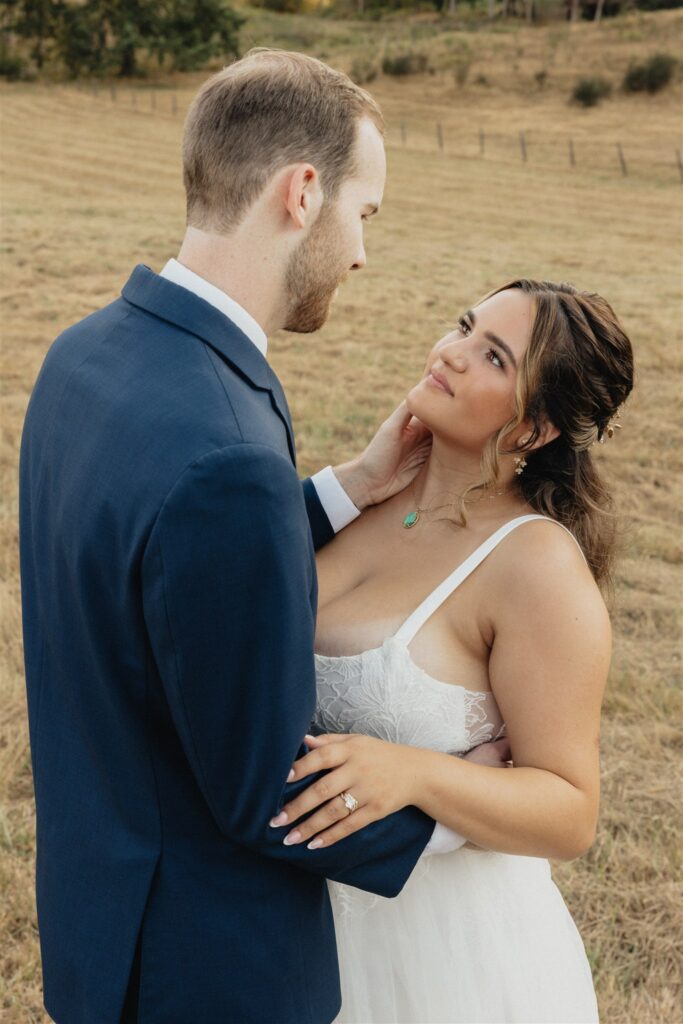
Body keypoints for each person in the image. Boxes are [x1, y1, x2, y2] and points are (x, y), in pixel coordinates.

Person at [19, 50, 484, 1024]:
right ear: (302, 194)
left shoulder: (87, 354)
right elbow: (261, 790)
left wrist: (343, 488)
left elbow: (160, 573)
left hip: (99, 927)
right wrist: (456, 810)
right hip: (205, 974)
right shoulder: (221, 449)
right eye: (366, 215)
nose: (361, 254)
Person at [273, 279, 634, 1023]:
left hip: (440, 959)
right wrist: (355, 482)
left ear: (532, 429)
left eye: (492, 356)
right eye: (464, 327)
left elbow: (569, 810)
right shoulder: (373, 499)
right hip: (300, 926)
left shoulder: (534, 567)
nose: (451, 354)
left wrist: (413, 772)